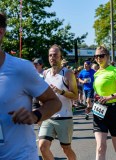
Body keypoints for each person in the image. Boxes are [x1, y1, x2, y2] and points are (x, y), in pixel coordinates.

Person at [0, 12, 61, 159]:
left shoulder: (20, 68)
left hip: (19, 156)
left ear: (0, 32)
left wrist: (35, 116)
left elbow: (54, 102)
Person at [38, 44, 78, 160]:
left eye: (55, 55)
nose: (52, 57)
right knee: (43, 147)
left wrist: (61, 92)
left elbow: (75, 95)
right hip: (48, 117)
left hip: (64, 117)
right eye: (50, 55)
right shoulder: (45, 73)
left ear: (60, 57)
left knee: (66, 149)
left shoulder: (68, 73)